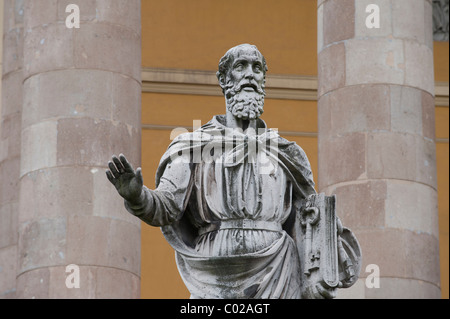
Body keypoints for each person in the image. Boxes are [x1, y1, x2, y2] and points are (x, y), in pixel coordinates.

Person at [106, 44, 339, 298]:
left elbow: (310, 220)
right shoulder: (194, 146)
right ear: (224, 80)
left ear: (264, 80)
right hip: (214, 272)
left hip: (280, 270)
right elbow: (166, 206)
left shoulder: (287, 153)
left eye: (257, 68)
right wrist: (137, 196)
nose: (250, 74)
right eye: (241, 66)